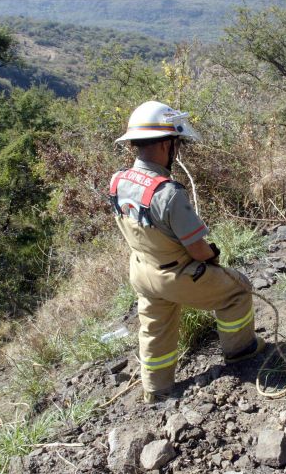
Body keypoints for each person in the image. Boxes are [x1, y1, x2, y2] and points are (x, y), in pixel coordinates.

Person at [110, 101, 264, 403]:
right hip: (176, 274)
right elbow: (197, 249)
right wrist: (213, 258)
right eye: (176, 142)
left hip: (142, 270)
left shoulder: (118, 181)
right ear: (165, 144)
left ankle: (156, 389)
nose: (177, 149)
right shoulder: (168, 193)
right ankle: (241, 352)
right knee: (238, 289)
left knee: (154, 328)